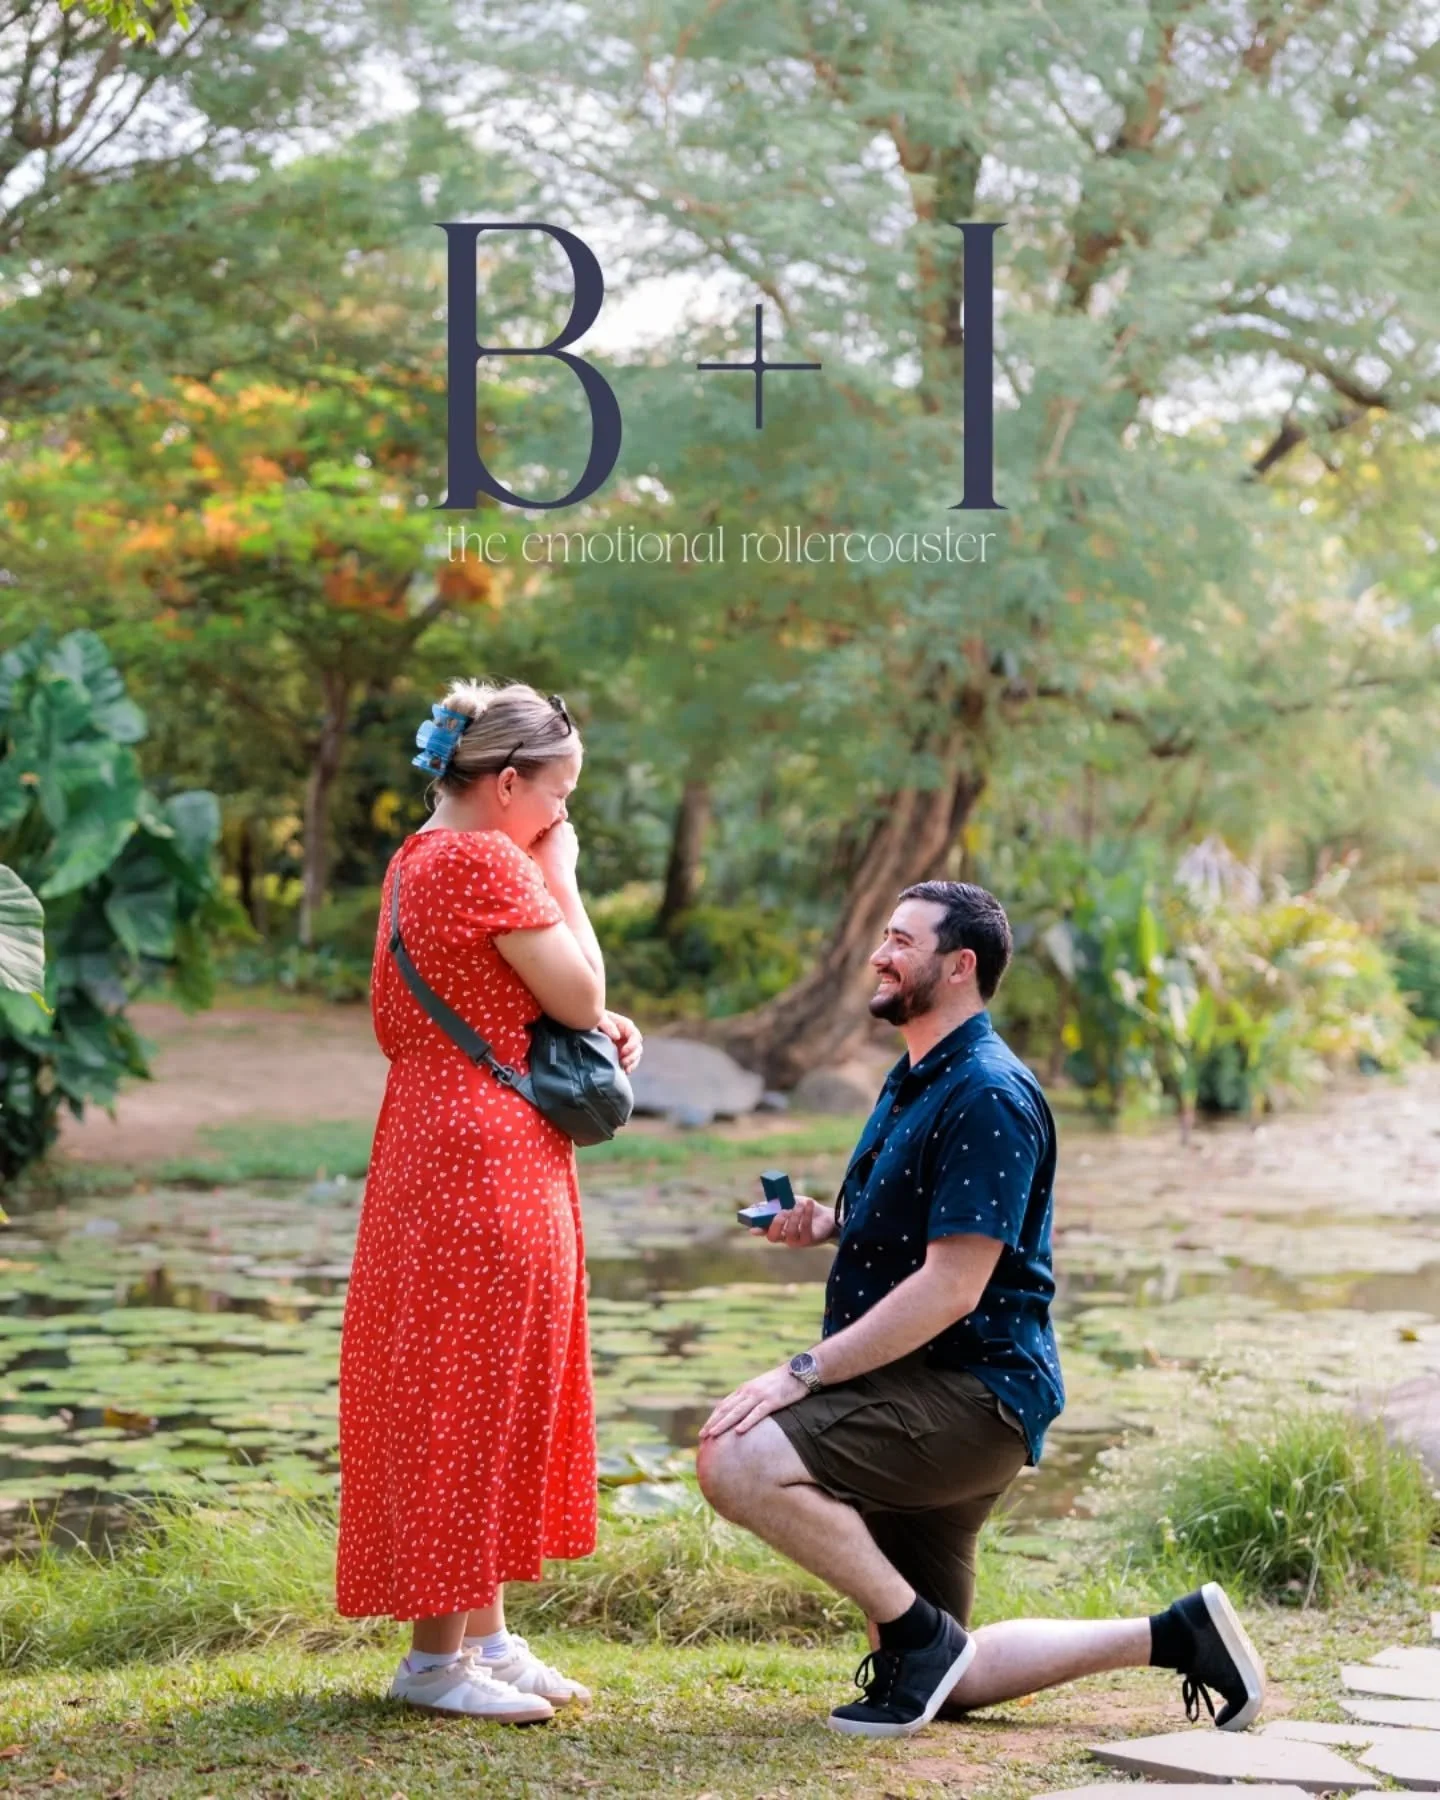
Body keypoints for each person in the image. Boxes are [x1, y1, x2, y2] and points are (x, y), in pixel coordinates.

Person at [696, 880, 1265, 1739]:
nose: (880, 955)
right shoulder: (919, 1075)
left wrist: (800, 1373)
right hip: (916, 1387)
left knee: (735, 1457)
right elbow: (931, 1226)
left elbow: (954, 1284)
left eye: (903, 941)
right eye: (884, 936)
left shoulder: (988, 1094)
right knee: (947, 1678)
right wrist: (830, 1223)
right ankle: (1178, 1634)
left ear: (960, 966)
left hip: (969, 1397)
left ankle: (917, 1643)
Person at [336, 679, 643, 1722]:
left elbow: (517, 999)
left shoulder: (419, 858)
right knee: (467, 1386)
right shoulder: (484, 860)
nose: (562, 817)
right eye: (559, 796)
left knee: (488, 1380)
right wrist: (561, 872)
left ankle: (487, 1637)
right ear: (508, 784)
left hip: (448, 1135)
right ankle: (434, 1664)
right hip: (482, 1154)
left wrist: (580, 1019)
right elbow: (583, 993)